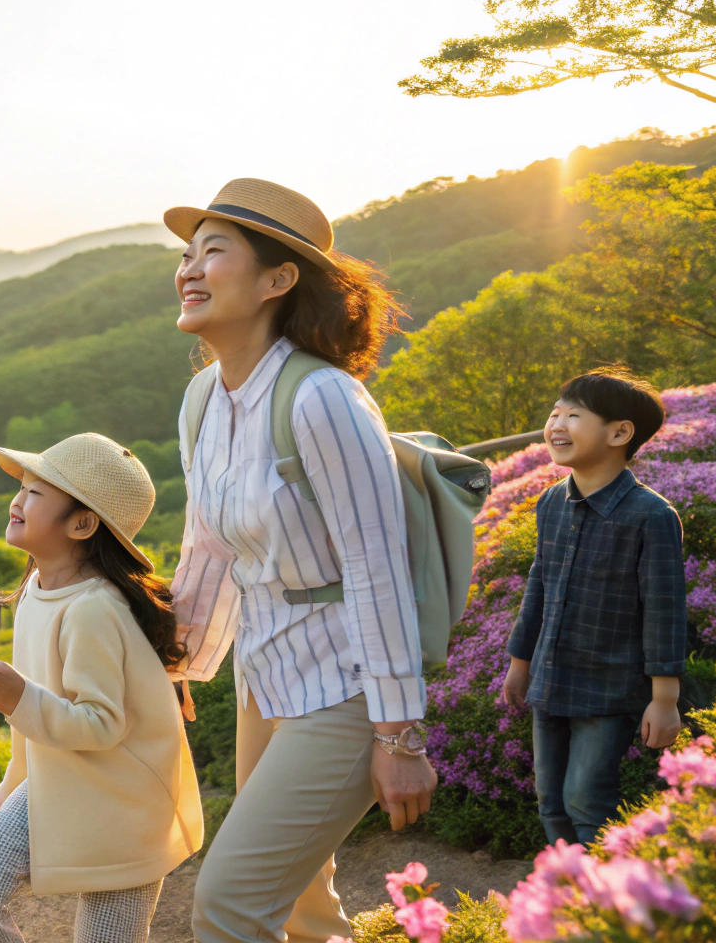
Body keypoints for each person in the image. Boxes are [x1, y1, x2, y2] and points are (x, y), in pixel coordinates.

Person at [165, 179, 437, 943]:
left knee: (227, 903)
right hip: (266, 677)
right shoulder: (201, 402)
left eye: (213, 251)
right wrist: (174, 665)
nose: (188, 268)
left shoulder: (324, 398)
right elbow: (208, 551)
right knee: (298, 907)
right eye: (185, 254)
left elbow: (377, 568)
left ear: (278, 279)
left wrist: (398, 738)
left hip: (346, 687)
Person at [0, 432, 203, 943]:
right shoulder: (33, 593)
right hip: (58, 779)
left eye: (36, 494)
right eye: (22, 488)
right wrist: (12, 780)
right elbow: (35, 722)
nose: (17, 502)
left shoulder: (93, 609)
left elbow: (102, 722)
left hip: (124, 801)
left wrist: (20, 699)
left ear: (82, 524)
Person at [501, 367, 686, 846]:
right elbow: (538, 586)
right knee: (550, 801)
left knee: (588, 802)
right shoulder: (550, 503)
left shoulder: (651, 515)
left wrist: (664, 699)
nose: (556, 423)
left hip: (609, 690)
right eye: (555, 412)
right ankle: (561, 899)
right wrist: (520, 664)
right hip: (550, 679)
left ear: (619, 432)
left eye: (574, 414)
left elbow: (665, 609)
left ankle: (597, 906)